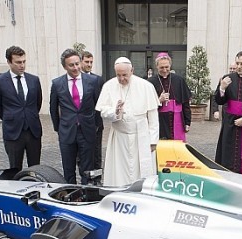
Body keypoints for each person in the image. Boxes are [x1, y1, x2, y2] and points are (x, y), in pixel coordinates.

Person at [95, 57, 160, 186]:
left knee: (142, 172)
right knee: (119, 172)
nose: (121, 79)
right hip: (119, 137)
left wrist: (153, 140)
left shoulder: (146, 86)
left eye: (124, 75)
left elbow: (153, 117)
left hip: (141, 136)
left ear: (132, 71)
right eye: (118, 75)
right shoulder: (109, 86)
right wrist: (115, 111)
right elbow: (102, 111)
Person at [50, 49, 102, 184]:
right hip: (67, 132)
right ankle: (71, 194)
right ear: (64, 66)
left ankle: (86, 194)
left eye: (77, 64)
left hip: (87, 130)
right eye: (71, 65)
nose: (75, 68)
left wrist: (95, 125)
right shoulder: (57, 84)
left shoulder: (93, 81)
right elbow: (53, 108)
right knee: (68, 168)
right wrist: (59, 128)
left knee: (87, 168)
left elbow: (98, 106)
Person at [0, 45, 44, 171]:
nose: (22, 65)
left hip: (33, 130)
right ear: (9, 62)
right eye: (18, 62)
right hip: (13, 131)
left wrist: (29, 116)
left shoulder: (34, 80)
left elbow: (38, 102)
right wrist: (11, 117)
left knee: (35, 168)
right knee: (15, 168)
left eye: (24, 62)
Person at [149, 53, 192, 141]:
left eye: (167, 67)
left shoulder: (179, 80)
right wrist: (159, 100)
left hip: (177, 119)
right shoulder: (150, 82)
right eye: (161, 67)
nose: (164, 70)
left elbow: (185, 103)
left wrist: (187, 122)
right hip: (159, 120)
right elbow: (146, 105)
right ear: (157, 67)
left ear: (170, 66)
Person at [81, 50, 104, 184]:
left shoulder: (97, 80)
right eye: (87, 62)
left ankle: (97, 178)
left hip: (96, 123)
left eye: (91, 62)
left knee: (96, 153)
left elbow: (100, 102)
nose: (89, 64)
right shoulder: (75, 79)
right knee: (83, 154)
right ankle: (85, 176)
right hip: (80, 123)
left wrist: (97, 123)